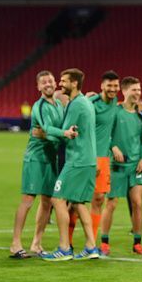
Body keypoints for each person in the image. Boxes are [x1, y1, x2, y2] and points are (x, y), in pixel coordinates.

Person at [36, 68, 98, 261]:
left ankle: (64, 248)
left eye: (64, 81)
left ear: (75, 83)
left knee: (57, 198)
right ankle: (91, 247)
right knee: (79, 203)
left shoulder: (76, 105)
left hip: (77, 160)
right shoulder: (85, 102)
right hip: (88, 159)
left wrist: (45, 134)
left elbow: (65, 132)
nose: (60, 84)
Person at [10, 71, 63, 259]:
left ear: (55, 83)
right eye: (44, 82)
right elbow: (47, 130)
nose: (48, 84)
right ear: (38, 87)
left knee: (47, 202)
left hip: (51, 159)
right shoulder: (39, 106)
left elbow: (50, 133)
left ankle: (36, 243)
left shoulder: (58, 105)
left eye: (50, 80)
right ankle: (15, 244)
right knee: (28, 201)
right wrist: (63, 134)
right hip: (35, 159)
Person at [99, 77, 142, 255]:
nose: (138, 93)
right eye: (134, 90)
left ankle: (137, 242)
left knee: (137, 203)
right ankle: (104, 241)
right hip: (117, 165)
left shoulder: (141, 115)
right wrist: (113, 146)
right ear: (124, 91)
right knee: (111, 203)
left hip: (136, 166)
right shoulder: (116, 112)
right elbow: (105, 134)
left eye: (139, 90)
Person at [86, 71, 120, 244]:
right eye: (109, 85)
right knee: (75, 201)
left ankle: (91, 242)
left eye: (115, 86)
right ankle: (67, 242)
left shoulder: (115, 103)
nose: (113, 89)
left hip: (104, 159)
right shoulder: (90, 103)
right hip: (87, 157)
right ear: (102, 86)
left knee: (98, 200)